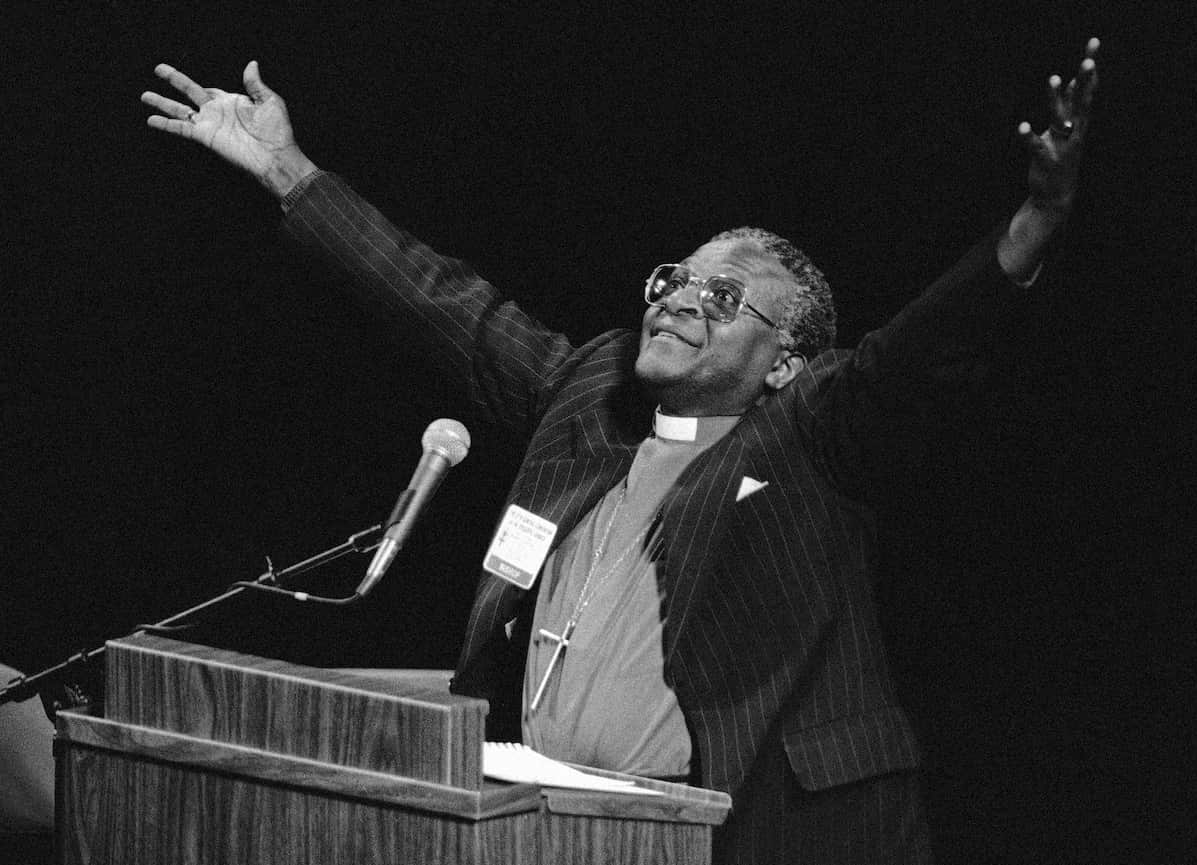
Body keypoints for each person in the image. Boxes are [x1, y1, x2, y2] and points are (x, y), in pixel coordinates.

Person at [141, 38, 1100, 864]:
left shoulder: (812, 431)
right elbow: (440, 302)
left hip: (750, 835)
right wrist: (289, 173)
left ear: (785, 362)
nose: (681, 296)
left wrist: (1030, 229)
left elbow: (920, 354)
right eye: (677, 277)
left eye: (724, 298)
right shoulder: (591, 395)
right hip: (545, 821)